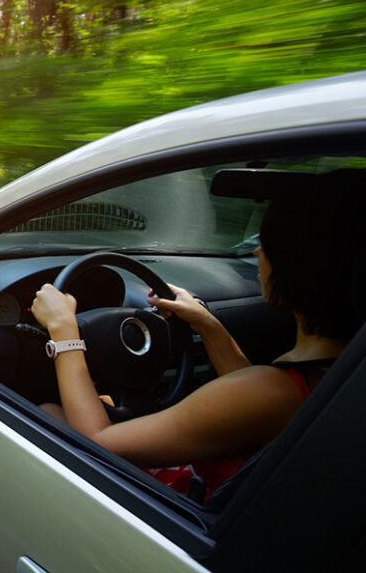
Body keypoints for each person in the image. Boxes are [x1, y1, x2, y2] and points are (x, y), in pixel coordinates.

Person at [30, 179, 364, 498]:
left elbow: (98, 441)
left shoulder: (273, 392)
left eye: (265, 242)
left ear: (298, 267)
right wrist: (207, 324)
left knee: (49, 412)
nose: (257, 252)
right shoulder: (339, 369)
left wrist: (63, 331)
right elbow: (253, 398)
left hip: (191, 509)